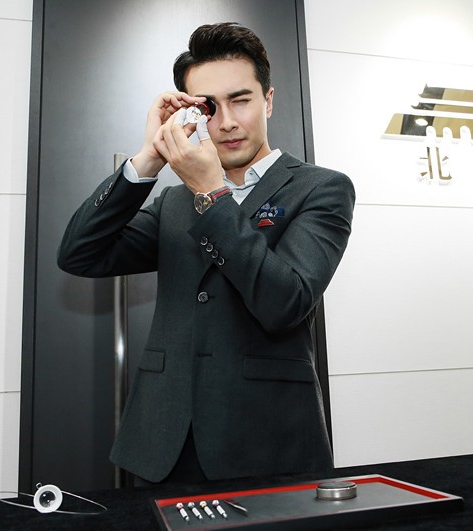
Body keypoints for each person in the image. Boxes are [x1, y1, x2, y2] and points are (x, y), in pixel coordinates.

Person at [58, 22, 355, 484]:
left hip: (267, 438)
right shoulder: (174, 201)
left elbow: (285, 302)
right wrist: (147, 159)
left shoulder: (321, 189)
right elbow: (80, 254)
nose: (228, 122)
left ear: (268, 100)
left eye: (242, 100)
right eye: (210, 107)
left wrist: (212, 193)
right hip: (162, 440)